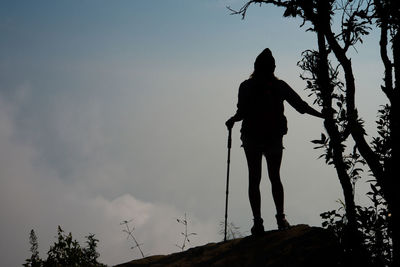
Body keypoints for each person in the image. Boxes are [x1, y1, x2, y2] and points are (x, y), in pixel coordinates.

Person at [225, 48, 324, 235]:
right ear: (273, 68)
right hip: (273, 137)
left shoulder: (246, 86)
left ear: (255, 67)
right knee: (275, 178)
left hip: (251, 137)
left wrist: (232, 120)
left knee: (254, 179)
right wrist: (322, 115)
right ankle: (280, 218)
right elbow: (301, 106)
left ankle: (258, 222)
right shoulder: (279, 86)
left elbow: (242, 112)